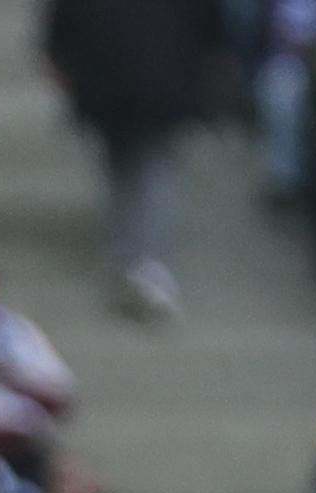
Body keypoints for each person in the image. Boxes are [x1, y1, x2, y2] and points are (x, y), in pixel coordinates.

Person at [42, 0, 227, 323]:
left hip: (123, 93)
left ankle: (135, 259)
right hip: (152, 91)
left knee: (137, 172)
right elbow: (215, 35)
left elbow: (58, 40)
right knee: (145, 173)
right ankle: (142, 262)